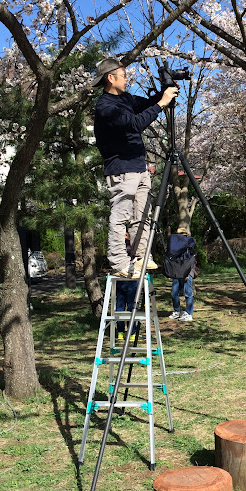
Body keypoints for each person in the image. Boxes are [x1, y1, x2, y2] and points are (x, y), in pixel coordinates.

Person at [93, 56, 178, 278]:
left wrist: (165, 91)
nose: (127, 79)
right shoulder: (105, 107)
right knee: (121, 215)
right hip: (121, 168)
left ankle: (142, 256)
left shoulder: (126, 99)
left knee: (142, 214)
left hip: (139, 166)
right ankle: (119, 261)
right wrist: (162, 103)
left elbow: (146, 105)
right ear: (111, 78)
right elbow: (136, 124)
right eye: (123, 75)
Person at [167, 228, 197, 322]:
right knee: (174, 293)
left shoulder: (189, 246)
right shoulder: (175, 249)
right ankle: (177, 311)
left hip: (188, 272)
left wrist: (188, 273)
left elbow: (191, 262)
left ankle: (188, 314)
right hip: (178, 271)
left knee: (188, 293)